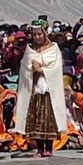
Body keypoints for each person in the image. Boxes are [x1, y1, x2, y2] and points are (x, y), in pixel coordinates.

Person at [15, 20, 68, 157]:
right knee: (35, 117)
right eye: (35, 34)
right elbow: (24, 67)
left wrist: (42, 70)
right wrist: (31, 69)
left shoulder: (53, 49)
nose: (37, 37)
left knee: (49, 117)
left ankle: (49, 148)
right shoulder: (29, 50)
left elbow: (56, 68)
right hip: (34, 89)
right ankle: (39, 148)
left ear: (45, 34)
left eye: (40, 34)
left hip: (49, 90)